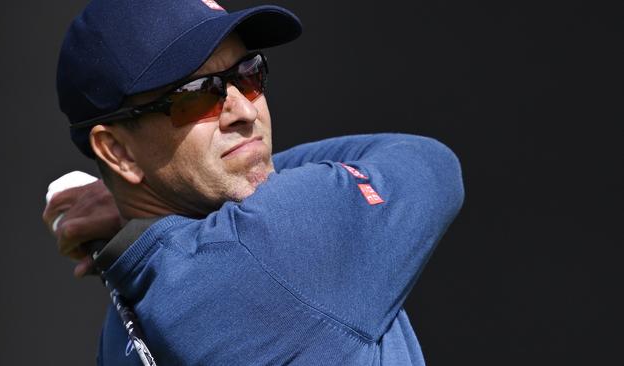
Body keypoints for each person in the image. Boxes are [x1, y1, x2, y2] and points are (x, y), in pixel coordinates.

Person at [43, 0, 465, 364]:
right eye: (196, 94)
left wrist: (136, 198)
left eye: (248, 74)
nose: (243, 110)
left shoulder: (120, 321)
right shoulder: (275, 247)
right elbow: (428, 163)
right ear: (118, 152)